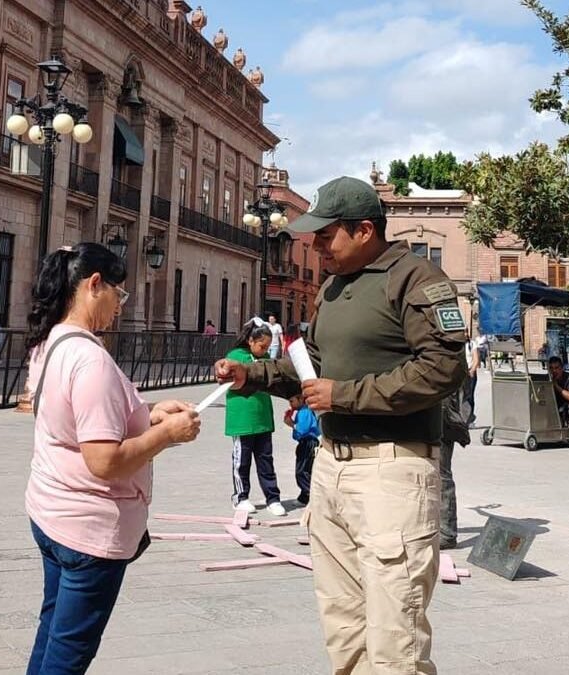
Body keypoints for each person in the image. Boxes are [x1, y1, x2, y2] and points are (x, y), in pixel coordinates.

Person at [215, 176, 467, 675]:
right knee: (344, 628)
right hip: (332, 471)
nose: (314, 246)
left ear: (365, 230)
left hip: (391, 472)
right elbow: (308, 364)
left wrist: (345, 396)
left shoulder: (416, 280)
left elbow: (443, 369)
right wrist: (252, 373)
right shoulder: (331, 288)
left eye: (325, 236)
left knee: (396, 639)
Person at [23, 243, 201, 675]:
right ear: (93, 285)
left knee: (52, 633)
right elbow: (103, 460)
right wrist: (166, 434)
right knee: (68, 654)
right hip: (89, 529)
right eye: (118, 295)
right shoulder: (90, 359)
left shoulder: (51, 344)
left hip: (52, 514)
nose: (120, 307)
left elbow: (78, 421)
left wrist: (150, 415)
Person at [225, 318, 287, 516]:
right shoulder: (236, 357)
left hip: (262, 419)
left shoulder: (266, 358)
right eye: (262, 346)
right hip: (242, 420)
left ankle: (273, 498)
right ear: (251, 341)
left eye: (268, 346)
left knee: (266, 461)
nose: (265, 349)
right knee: (241, 461)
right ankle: (240, 496)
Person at [439, 381, 470, 550]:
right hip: (436, 418)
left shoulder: (446, 360)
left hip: (442, 422)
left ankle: (447, 533)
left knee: (442, 475)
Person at [283, 395, 319, 506]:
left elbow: (302, 430)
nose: (290, 404)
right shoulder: (302, 412)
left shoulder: (305, 412)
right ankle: (304, 497)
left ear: (301, 399)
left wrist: (292, 424)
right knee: (306, 470)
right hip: (305, 443)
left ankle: (312, 495)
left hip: (308, 443)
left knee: (302, 471)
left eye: (292, 401)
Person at [463, 333, 480, 425]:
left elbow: (476, 360)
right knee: (460, 397)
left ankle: (469, 418)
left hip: (470, 373)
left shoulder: (472, 344)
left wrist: (472, 370)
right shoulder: (458, 344)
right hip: (461, 373)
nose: (465, 334)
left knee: (469, 396)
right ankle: (461, 418)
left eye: (466, 332)